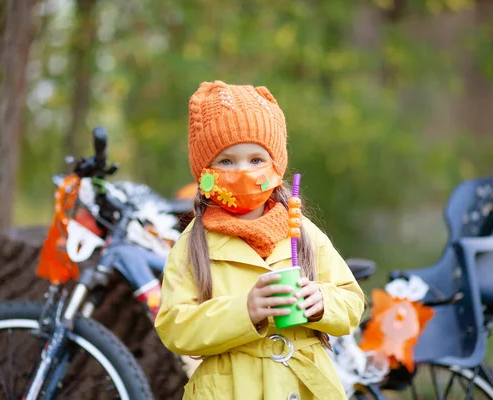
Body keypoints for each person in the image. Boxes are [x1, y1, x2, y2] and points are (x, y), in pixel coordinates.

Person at [155, 80, 365, 399]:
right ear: (204, 173)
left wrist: (322, 301)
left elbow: (351, 302)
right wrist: (245, 311)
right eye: (226, 161)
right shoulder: (193, 243)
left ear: (276, 166)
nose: (243, 171)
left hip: (304, 386)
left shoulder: (302, 231)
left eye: (256, 160)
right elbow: (174, 326)